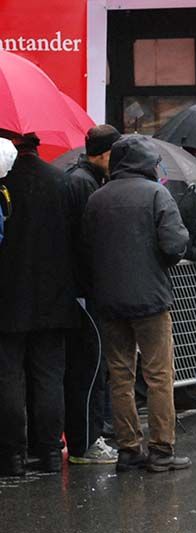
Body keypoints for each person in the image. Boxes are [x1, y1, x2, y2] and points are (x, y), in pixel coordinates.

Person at [81, 135, 190, 473]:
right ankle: (161, 450)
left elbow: (86, 249)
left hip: (109, 301)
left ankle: (128, 449)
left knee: (120, 376)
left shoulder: (97, 198)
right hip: (150, 299)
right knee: (158, 375)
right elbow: (174, 245)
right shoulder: (157, 194)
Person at [0, 133, 79, 476]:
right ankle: (49, 451)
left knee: (9, 376)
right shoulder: (63, 183)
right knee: (50, 376)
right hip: (54, 296)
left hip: (7, 296)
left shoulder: (3, 185)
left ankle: (12, 455)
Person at [63, 124, 122, 465]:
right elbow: (87, 242)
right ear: (103, 154)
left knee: (88, 366)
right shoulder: (84, 184)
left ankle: (86, 437)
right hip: (84, 291)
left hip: (80, 289)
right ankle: (86, 442)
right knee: (91, 366)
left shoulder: (83, 180)